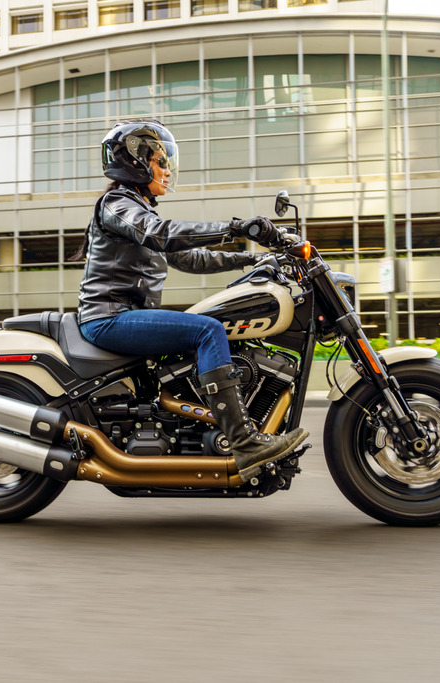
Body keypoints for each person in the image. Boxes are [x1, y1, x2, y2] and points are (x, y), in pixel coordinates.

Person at [74, 120, 307, 482]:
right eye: (160, 162)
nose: (167, 170)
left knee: (210, 324)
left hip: (128, 317)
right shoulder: (117, 204)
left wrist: (253, 259)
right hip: (109, 319)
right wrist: (234, 228)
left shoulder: (139, 209)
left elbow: (192, 259)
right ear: (136, 162)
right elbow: (160, 235)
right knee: (208, 331)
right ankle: (244, 443)